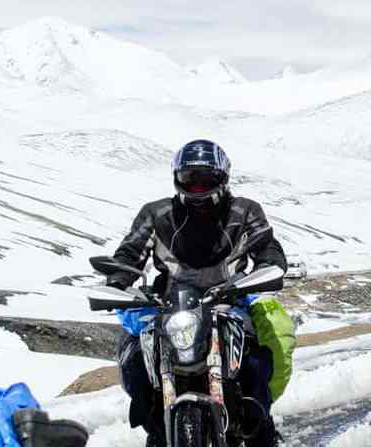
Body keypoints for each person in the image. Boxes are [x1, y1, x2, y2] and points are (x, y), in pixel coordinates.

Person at [107, 139, 288, 447]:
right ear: (179, 178)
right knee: (134, 354)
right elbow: (129, 253)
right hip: (169, 306)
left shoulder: (245, 211)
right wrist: (117, 280)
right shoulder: (156, 214)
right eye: (192, 179)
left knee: (257, 357)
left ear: (223, 177)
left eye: (207, 179)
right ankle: (154, 422)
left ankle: (259, 421)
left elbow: (267, 247)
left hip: (227, 302)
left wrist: (268, 268)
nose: (199, 187)